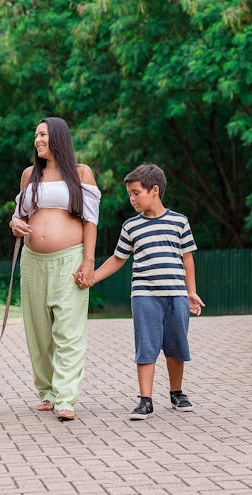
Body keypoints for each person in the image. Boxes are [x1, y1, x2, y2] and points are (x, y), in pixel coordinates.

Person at [88, 163, 204, 420]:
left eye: (136, 193)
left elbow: (188, 259)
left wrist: (191, 292)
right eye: (129, 194)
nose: (131, 199)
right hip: (144, 296)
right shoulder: (131, 226)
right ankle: (145, 400)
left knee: (176, 346)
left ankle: (177, 393)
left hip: (176, 296)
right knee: (146, 346)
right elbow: (118, 258)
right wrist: (93, 277)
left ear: (154, 190)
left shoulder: (179, 221)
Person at [9, 117, 101, 421]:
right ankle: (47, 391)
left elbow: (91, 221)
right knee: (38, 333)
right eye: (35, 135)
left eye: (43, 135)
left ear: (59, 138)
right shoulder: (28, 176)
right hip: (33, 261)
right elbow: (19, 216)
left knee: (68, 330)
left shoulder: (81, 173)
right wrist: (15, 223)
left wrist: (88, 262)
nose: (37, 140)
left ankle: (66, 398)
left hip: (70, 259)